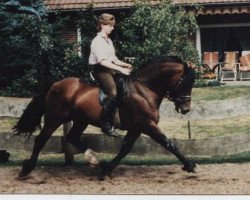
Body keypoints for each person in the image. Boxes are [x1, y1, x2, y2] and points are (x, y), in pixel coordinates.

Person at [88, 13, 133, 137]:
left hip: (109, 68)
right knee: (113, 92)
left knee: (125, 86)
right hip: (100, 70)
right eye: (110, 25)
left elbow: (113, 59)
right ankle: (106, 124)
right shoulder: (97, 41)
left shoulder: (109, 41)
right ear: (103, 25)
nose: (112, 28)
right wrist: (120, 69)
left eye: (113, 25)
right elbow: (103, 61)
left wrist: (125, 65)